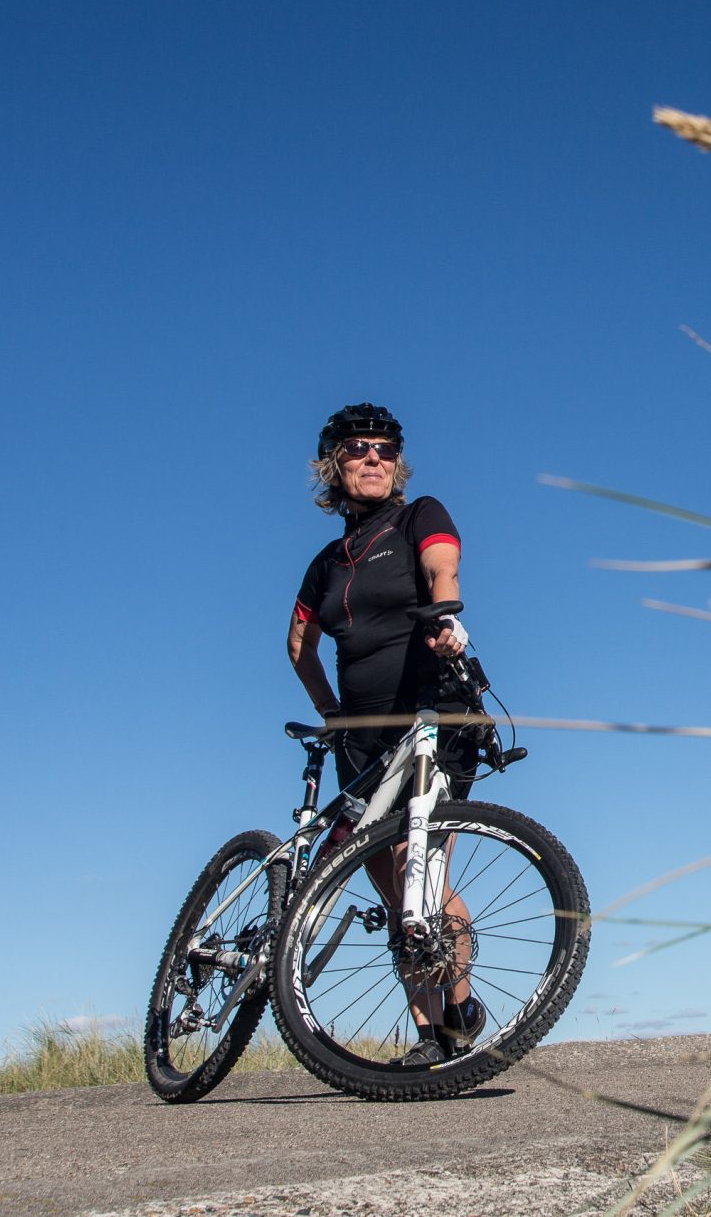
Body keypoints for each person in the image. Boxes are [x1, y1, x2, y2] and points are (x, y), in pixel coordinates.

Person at [287, 402, 487, 1067]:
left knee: (420, 872)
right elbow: (299, 645)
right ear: (332, 466)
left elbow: (441, 565)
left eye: (384, 448)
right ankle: (432, 1033)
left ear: (397, 462)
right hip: (362, 738)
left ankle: (452, 1014)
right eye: (356, 449)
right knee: (387, 882)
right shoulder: (327, 563)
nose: (372, 457)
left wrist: (446, 613)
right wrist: (331, 713)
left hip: (433, 716)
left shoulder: (417, 514)